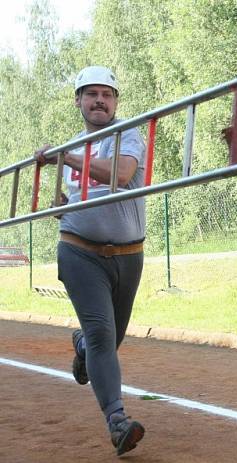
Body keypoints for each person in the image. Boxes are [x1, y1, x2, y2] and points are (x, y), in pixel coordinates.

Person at [35, 65, 147, 455]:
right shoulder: (73, 148)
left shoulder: (128, 134)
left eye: (107, 94)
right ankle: (117, 421)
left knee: (110, 339)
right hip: (79, 251)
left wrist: (67, 159)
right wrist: (62, 205)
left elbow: (121, 173)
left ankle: (82, 347)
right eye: (91, 93)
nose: (99, 100)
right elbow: (78, 196)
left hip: (128, 254)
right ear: (78, 100)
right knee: (103, 334)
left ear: (115, 102)